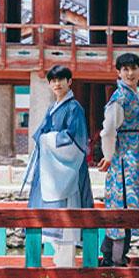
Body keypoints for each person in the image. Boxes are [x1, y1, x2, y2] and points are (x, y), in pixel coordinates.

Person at [21, 64, 93, 267]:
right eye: (53, 80)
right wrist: (45, 140)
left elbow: (76, 140)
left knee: (67, 216)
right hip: (51, 169)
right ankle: (59, 262)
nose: (57, 84)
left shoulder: (74, 108)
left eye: (61, 79)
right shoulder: (52, 107)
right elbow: (41, 134)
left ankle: (66, 266)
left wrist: (47, 140)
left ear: (69, 82)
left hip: (67, 169)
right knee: (51, 216)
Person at [98, 52, 139, 267]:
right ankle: (114, 258)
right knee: (123, 203)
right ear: (118, 72)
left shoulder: (133, 94)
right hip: (124, 159)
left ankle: (115, 256)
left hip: (135, 156)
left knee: (130, 202)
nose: (130, 73)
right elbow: (109, 130)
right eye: (125, 69)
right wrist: (108, 156)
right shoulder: (120, 98)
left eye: (133, 68)